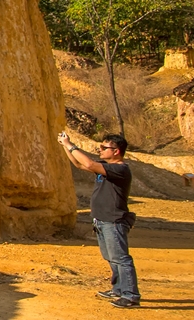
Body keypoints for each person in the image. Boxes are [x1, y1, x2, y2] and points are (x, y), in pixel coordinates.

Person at [58, 130, 140, 308]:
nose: (100, 150)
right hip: (102, 221)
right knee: (111, 257)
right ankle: (118, 289)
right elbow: (80, 165)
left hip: (114, 220)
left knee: (120, 258)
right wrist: (64, 145)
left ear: (116, 151)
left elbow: (88, 162)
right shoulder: (106, 167)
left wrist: (70, 145)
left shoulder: (120, 169)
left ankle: (130, 295)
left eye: (104, 147)